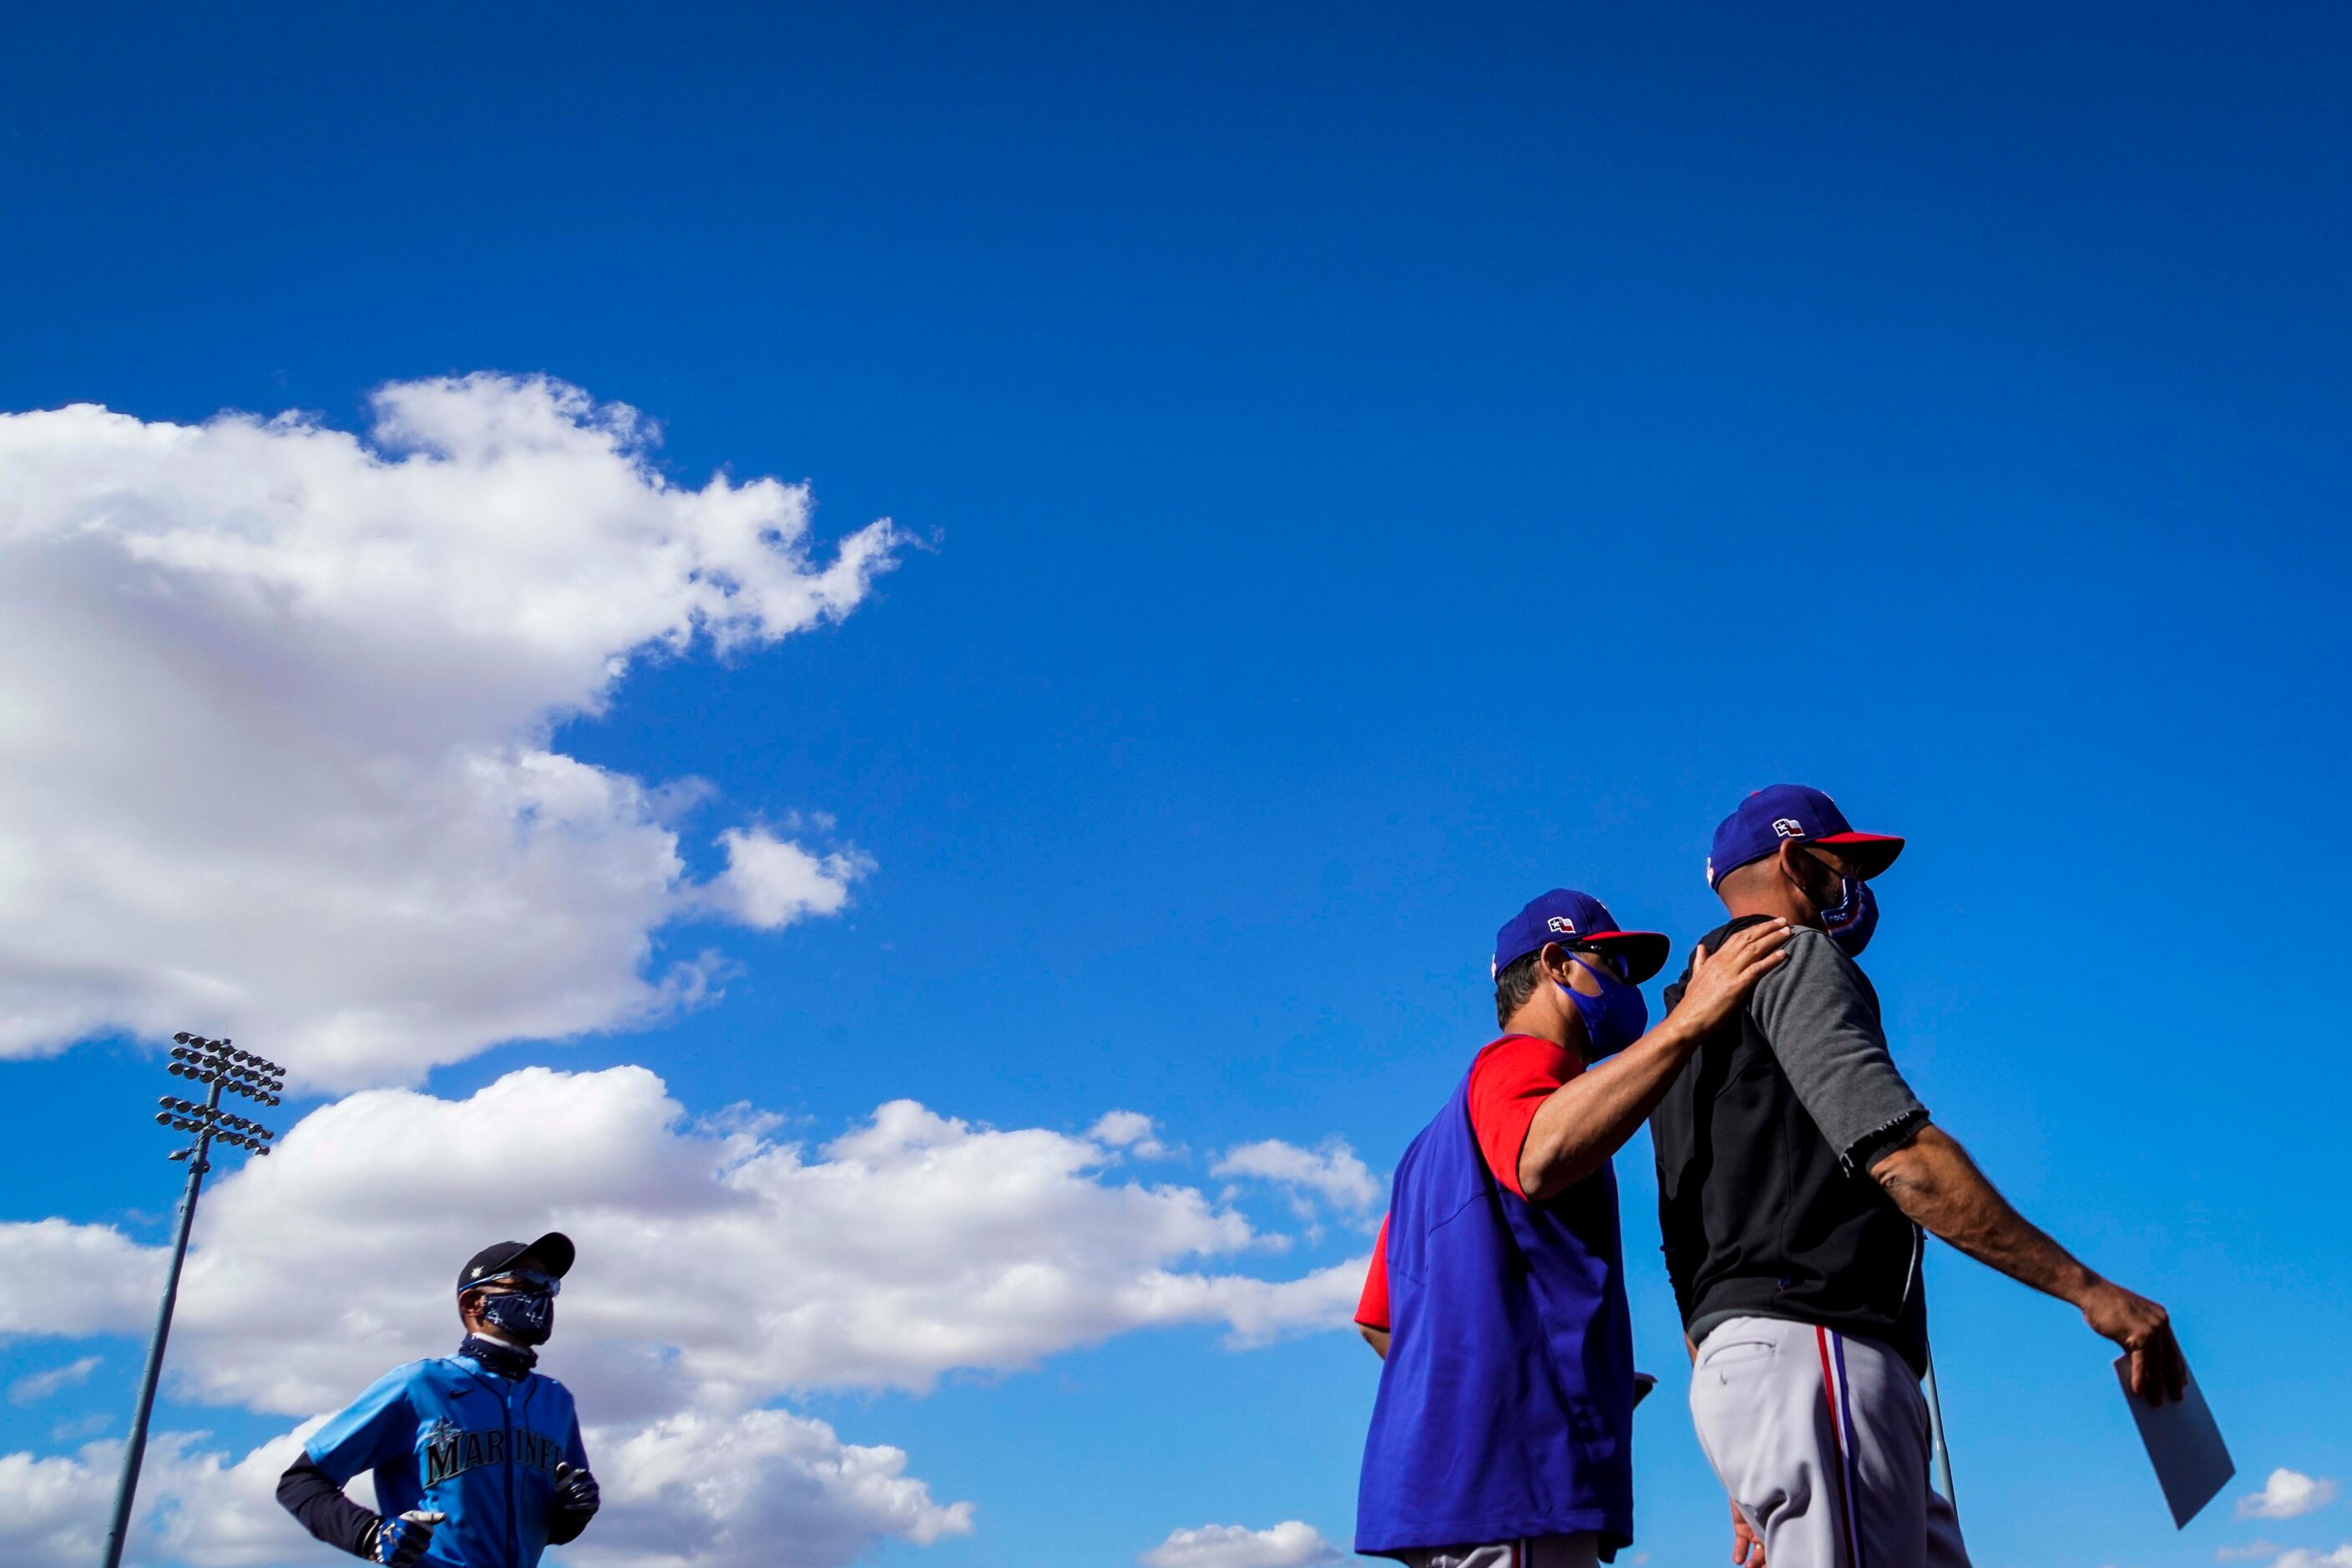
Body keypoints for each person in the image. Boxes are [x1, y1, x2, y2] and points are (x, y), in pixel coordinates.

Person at [1655, 785, 2186, 1568]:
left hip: (1757, 1365)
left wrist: (1743, 1441)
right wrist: (2093, 1293)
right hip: (1816, 1348)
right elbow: (1902, 1160)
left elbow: (1684, 1251)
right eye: (1842, 868)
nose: (1852, 890)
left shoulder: (1685, 1016)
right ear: (1797, 862)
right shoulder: (1789, 954)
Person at [1355, 889, 1793, 1567]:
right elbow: (1538, 1158)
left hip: (1442, 1492)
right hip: (1518, 1481)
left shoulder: (1429, 1147)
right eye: (1613, 966)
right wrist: (1686, 1026)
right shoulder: (1525, 1065)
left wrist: (1533, 1372)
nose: (1628, 988)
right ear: (1557, 964)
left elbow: (1380, 1323)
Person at [276, 1233, 601, 1566]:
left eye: (550, 1286)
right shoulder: (422, 1384)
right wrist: (370, 1535)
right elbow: (301, 1481)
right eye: (526, 1282)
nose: (542, 1295)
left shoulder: (556, 1401)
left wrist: (572, 1515)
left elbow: (548, 1529)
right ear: (473, 1303)